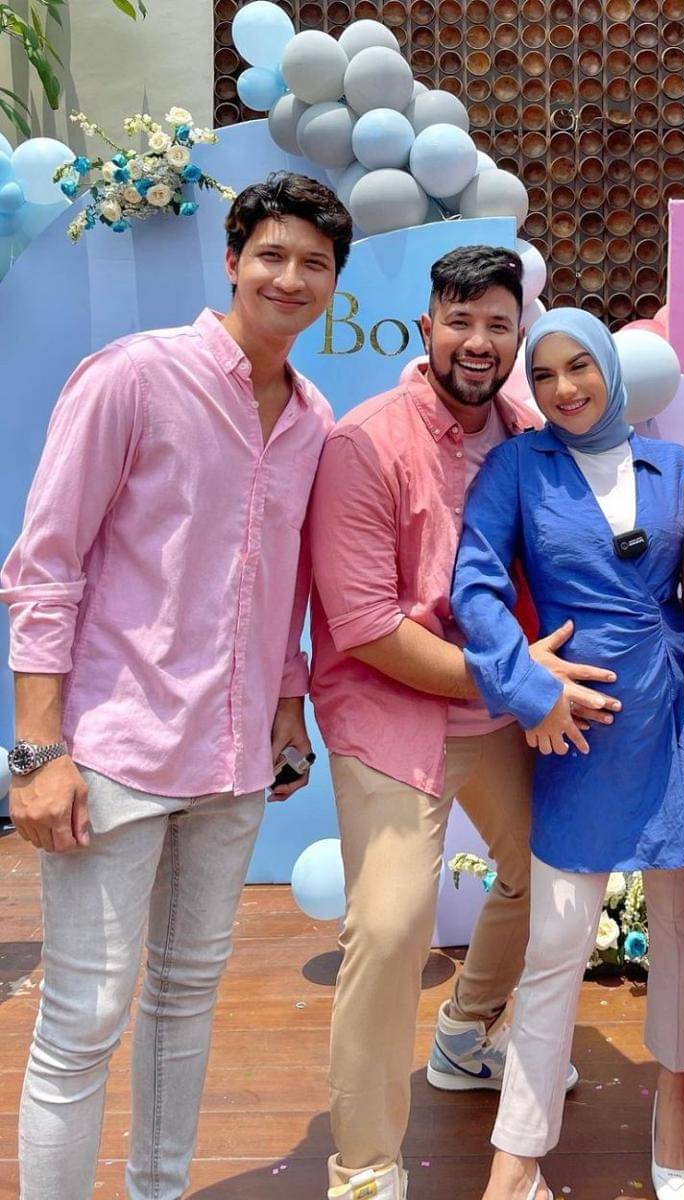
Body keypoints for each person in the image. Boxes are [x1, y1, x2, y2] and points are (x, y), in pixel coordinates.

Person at [0, 171, 352, 1200]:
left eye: (314, 264)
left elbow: (282, 582)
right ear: (233, 260)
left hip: (233, 758)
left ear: (334, 283)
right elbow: (44, 567)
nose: (290, 278)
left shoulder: (314, 421)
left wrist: (286, 708)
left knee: (187, 997)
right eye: (272, 254)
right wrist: (37, 753)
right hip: (113, 748)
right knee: (83, 1016)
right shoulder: (135, 378)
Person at [309, 247, 619, 1200]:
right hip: (391, 710)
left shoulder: (530, 431)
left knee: (550, 876)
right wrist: (521, 679)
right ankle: (365, 1170)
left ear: (520, 334)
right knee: (391, 928)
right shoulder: (365, 443)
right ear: (427, 327)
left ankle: (467, 1032)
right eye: (460, 321)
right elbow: (366, 627)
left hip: (500, 710)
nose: (478, 342)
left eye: (498, 323)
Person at [450, 308, 684, 1200]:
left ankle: (680, 1105)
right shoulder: (519, 466)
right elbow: (475, 585)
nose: (564, 388)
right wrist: (526, 688)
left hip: (678, 721)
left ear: (610, 370)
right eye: (545, 373)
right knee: (556, 942)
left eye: (579, 367)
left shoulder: (677, 468)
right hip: (575, 729)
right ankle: (516, 1158)